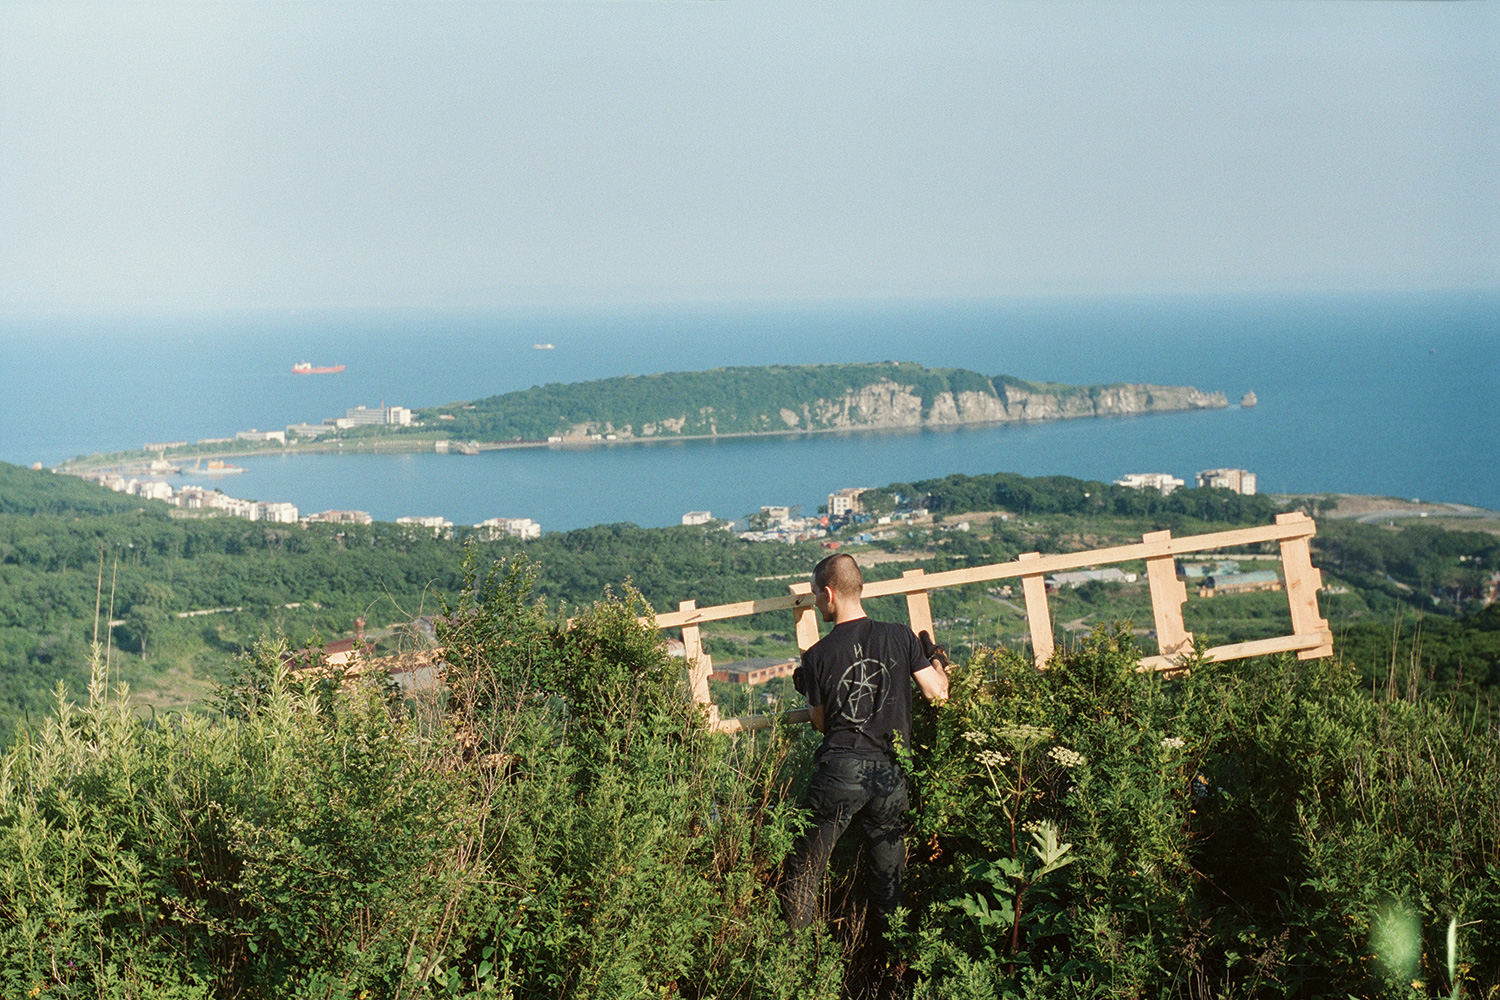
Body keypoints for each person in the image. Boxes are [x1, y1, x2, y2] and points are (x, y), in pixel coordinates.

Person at [781, 552, 950, 930]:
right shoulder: (900, 635)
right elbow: (937, 694)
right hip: (890, 777)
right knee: (889, 886)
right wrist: (937, 659)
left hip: (840, 771)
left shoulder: (818, 655)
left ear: (828, 594)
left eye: (814, 595)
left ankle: (793, 969)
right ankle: (891, 969)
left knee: (803, 872)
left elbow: (821, 723)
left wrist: (810, 688)